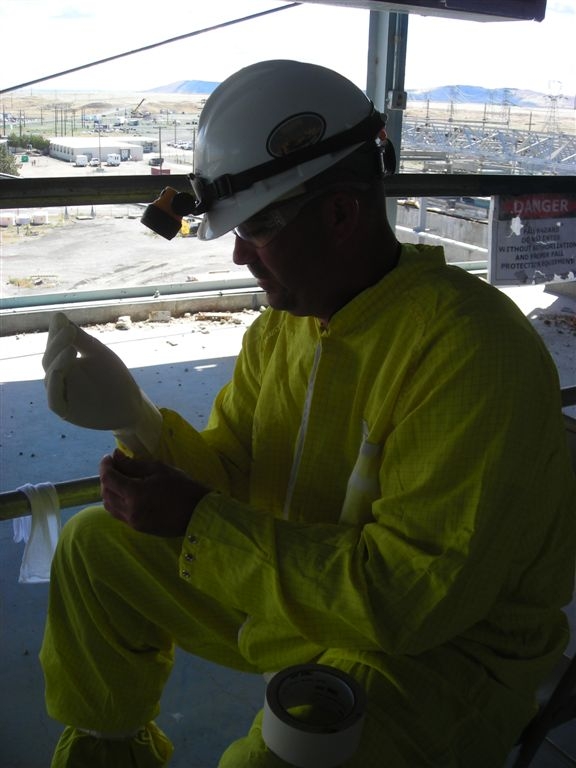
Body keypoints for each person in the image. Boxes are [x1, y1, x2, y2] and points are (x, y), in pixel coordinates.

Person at [40, 60, 576, 768]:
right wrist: (136, 418)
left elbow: (407, 604)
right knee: (92, 550)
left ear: (340, 214)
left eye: (255, 228)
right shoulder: (285, 329)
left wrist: (200, 523)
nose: (238, 255)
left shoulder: (472, 353)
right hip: (303, 591)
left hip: (441, 657)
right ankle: (108, 751)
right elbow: (234, 469)